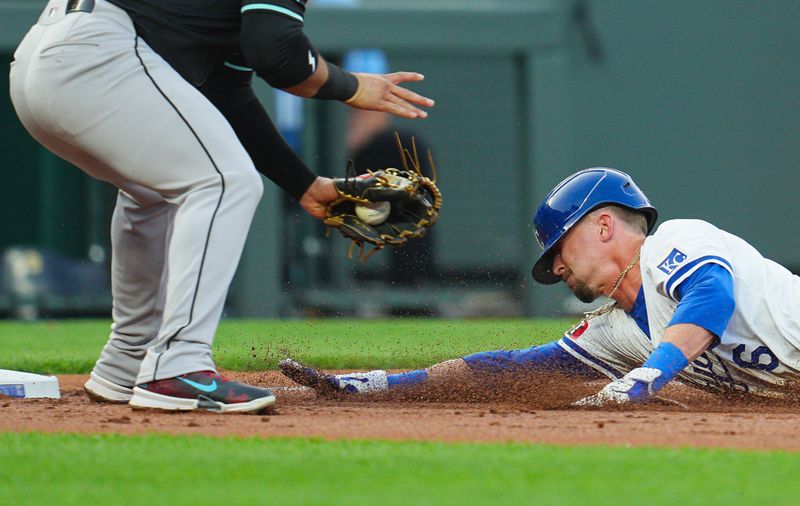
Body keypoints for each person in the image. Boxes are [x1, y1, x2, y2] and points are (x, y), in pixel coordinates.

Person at [9, 0, 433, 413]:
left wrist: (303, 184)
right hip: (103, 54)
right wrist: (354, 86)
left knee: (153, 192)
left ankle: (129, 360)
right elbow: (278, 54)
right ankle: (178, 366)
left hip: (45, 60)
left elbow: (225, 91)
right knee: (225, 182)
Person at [281, 167, 800, 405]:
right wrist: (379, 385)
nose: (555, 269)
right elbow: (510, 371)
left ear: (602, 226)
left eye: (558, 249)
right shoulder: (615, 332)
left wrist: (646, 379)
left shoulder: (674, 243)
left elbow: (712, 298)